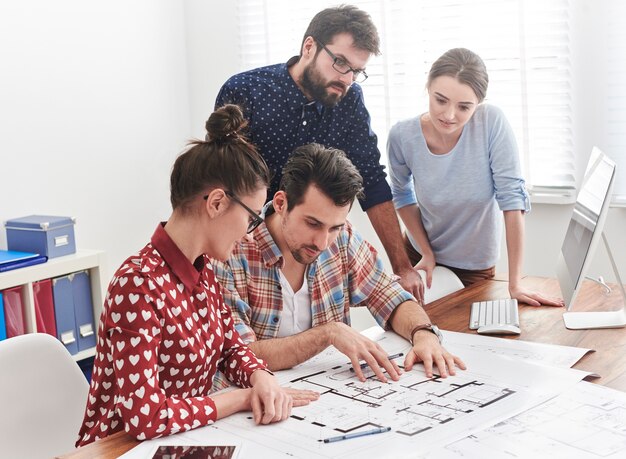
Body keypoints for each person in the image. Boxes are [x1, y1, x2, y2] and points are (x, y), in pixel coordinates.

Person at [76, 105, 317, 447]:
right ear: (217, 203)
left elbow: (231, 347)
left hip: (181, 442)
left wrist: (258, 375)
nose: (251, 234)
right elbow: (146, 417)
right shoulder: (137, 285)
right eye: (250, 219)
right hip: (120, 450)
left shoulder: (204, 272)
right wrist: (241, 398)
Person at [214, 5, 424, 302]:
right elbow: (220, 185)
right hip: (245, 254)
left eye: (356, 71)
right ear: (309, 47)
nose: (347, 79)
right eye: (340, 62)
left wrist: (402, 267)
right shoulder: (247, 90)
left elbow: (372, 181)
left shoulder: (350, 101)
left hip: (314, 250)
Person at [212, 143, 465, 386]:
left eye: (334, 227)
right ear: (281, 204)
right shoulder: (230, 253)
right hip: (260, 404)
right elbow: (239, 354)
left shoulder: (342, 239)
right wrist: (328, 333)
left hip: (332, 397)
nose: (323, 242)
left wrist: (424, 334)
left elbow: (388, 294)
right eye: (312, 224)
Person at [387, 48, 563, 307]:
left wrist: (515, 283)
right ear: (428, 88)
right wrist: (425, 250)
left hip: (474, 265)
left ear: (478, 104)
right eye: (440, 100)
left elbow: (512, 198)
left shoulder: (491, 123)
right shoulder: (402, 136)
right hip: (419, 254)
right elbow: (401, 194)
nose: (448, 115)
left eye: (464, 107)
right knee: (412, 329)